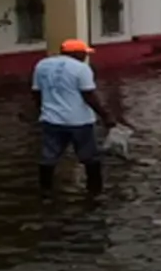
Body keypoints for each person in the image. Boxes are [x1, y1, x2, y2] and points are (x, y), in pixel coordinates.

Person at [32, 39, 115, 193]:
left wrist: (43, 110)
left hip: (51, 120)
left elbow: (36, 92)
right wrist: (106, 116)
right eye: (84, 53)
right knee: (90, 158)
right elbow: (89, 95)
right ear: (76, 53)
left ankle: (45, 192)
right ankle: (95, 192)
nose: (85, 56)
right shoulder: (81, 68)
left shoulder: (42, 65)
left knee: (48, 157)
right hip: (79, 121)